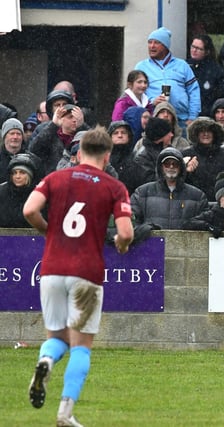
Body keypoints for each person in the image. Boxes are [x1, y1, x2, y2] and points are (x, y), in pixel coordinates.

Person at [23, 127, 133, 426]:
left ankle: (45, 361)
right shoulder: (114, 186)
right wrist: (122, 245)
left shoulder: (55, 178)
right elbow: (125, 232)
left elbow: (30, 209)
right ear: (107, 155)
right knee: (81, 345)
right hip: (86, 271)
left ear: (79, 152)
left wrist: (50, 232)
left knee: (56, 336)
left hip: (51, 269)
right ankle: (65, 413)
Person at [135, 27, 201, 130]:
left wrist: (192, 117)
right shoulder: (141, 67)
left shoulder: (182, 65)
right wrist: (151, 102)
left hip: (182, 121)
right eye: (149, 42)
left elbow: (194, 91)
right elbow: (136, 94)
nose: (152, 46)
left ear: (165, 46)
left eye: (156, 43)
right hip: (154, 120)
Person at [130, 147, 208, 230]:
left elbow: (205, 225)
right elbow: (131, 223)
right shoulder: (142, 193)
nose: (171, 167)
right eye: (167, 164)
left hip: (185, 243)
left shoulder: (197, 196)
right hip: (153, 242)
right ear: (161, 167)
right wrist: (146, 230)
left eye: (175, 164)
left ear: (181, 167)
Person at [182, 116, 224, 202]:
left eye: (209, 131)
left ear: (215, 133)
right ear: (196, 134)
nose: (206, 134)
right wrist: (187, 172)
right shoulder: (186, 154)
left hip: (219, 201)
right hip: (194, 201)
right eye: (202, 131)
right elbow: (179, 181)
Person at [30, 104, 84, 175]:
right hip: (54, 180)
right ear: (61, 119)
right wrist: (53, 125)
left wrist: (82, 126)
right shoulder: (52, 136)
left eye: (76, 117)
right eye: (70, 117)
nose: (74, 120)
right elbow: (34, 149)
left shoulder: (83, 136)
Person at [188, 34, 224, 117]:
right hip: (185, 116)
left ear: (207, 52)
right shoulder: (184, 66)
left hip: (207, 116)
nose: (194, 50)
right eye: (193, 47)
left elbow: (223, 97)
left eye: (199, 49)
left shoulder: (216, 70)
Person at [0, 153, 40, 228]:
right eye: (14, 173)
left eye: (22, 172)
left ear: (30, 175)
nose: (17, 176)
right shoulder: (1, 192)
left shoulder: (39, 195)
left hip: (33, 238)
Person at [134, 117, 174, 184]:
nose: (171, 135)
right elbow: (150, 181)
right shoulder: (143, 156)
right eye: (169, 132)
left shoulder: (170, 150)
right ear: (160, 135)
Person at [1, 118, 40, 185]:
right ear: (4, 136)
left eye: (18, 134)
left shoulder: (33, 160)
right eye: (12, 133)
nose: (15, 137)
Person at [108, 120, 140, 195]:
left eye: (123, 132)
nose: (120, 135)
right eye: (116, 133)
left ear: (129, 136)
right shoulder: (104, 158)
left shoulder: (136, 158)